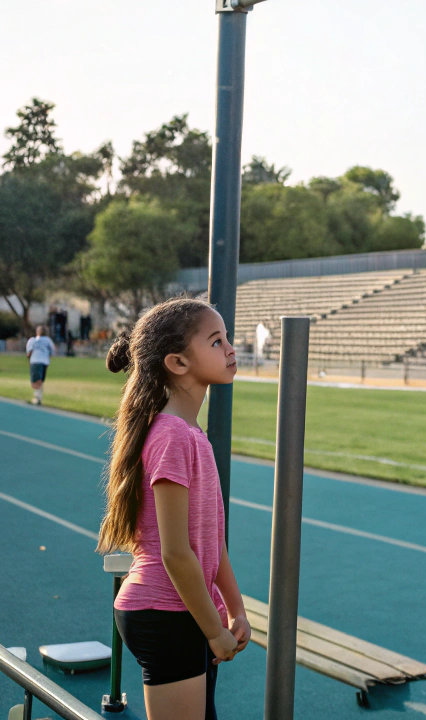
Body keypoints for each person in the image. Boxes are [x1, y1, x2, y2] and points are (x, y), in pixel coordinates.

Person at [97, 298, 250, 720]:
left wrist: (235, 610)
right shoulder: (171, 437)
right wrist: (214, 630)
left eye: (228, 339)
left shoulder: (191, 434)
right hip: (163, 611)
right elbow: (175, 552)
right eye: (217, 342)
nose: (232, 349)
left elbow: (211, 542)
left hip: (186, 611)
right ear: (178, 362)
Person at [25, 325, 56, 405]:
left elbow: (29, 352)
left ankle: (37, 397)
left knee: (35, 381)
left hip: (35, 361)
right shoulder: (48, 341)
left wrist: (29, 359)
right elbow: (52, 351)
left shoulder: (33, 340)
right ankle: (38, 396)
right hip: (44, 362)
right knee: (40, 380)